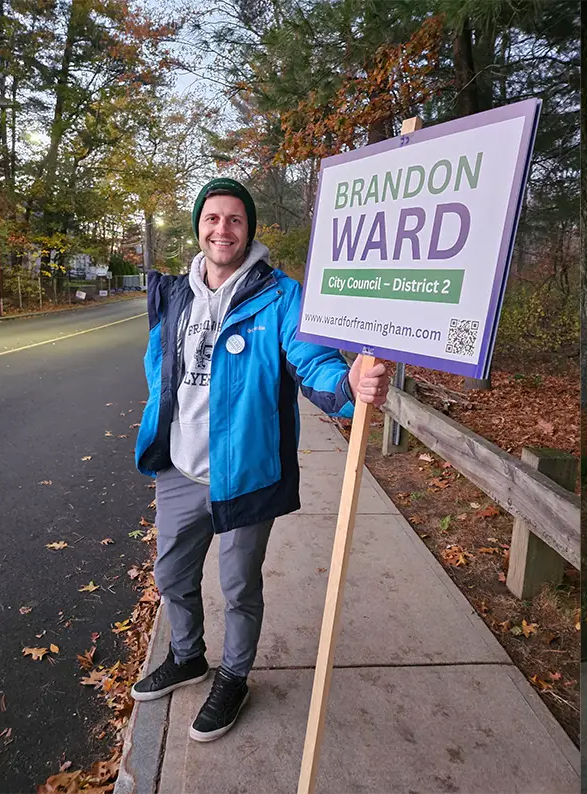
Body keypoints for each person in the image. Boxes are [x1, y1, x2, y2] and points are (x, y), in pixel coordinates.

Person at [129, 177, 391, 742]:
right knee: (172, 574)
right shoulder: (174, 294)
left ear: (249, 230)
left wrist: (346, 382)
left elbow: (311, 358)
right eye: (213, 218)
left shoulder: (280, 295)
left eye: (235, 219)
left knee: (239, 585)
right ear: (199, 226)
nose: (223, 228)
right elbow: (160, 366)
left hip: (244, 469)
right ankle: (188, 655)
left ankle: (234, 676)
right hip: (179, 466)